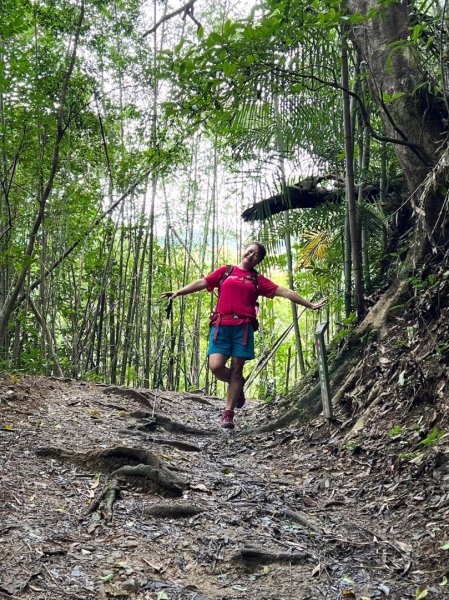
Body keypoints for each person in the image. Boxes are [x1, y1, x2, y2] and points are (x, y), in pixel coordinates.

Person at [162, 242, 326, 429]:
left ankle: (228, 414)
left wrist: (310, 305)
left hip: (243, 329)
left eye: (256, 255)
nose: (251, 255)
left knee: (237, 370)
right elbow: (203, 282)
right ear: (244, 251)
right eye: (250, 251)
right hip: (221, 326)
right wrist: (178, 292)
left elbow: (285, 292)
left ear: (259, 261)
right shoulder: (227, 271)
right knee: (215, 366)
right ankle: (238, 386)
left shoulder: (257, 280)